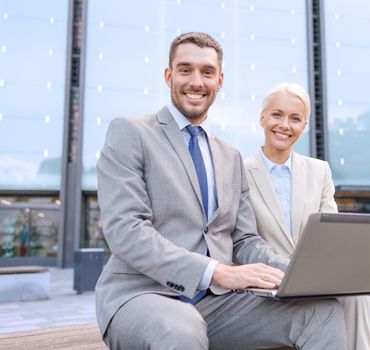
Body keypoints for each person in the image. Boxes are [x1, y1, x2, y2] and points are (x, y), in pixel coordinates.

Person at [95, 32, 348, 350]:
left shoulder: (230, 157)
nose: (196, 81)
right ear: (168, 75)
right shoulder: (130, 132)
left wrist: (301, 273)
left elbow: (244, 240)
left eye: (207, 72)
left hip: (217, 305)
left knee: (321, 312)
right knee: (182, 331)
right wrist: (217, 272)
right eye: (185, 70)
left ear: (220, 80)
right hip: (142, 293)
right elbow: (126, 230)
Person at [244, 83, 370, 350]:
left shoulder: (320, 171)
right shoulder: (238, 171)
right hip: (268, 283)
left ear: (304, 126)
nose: (285, 125)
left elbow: (331, 236)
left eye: (295, 119)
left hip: (316, 278)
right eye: (277, 115)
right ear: (262, 118)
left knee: (362, 294)